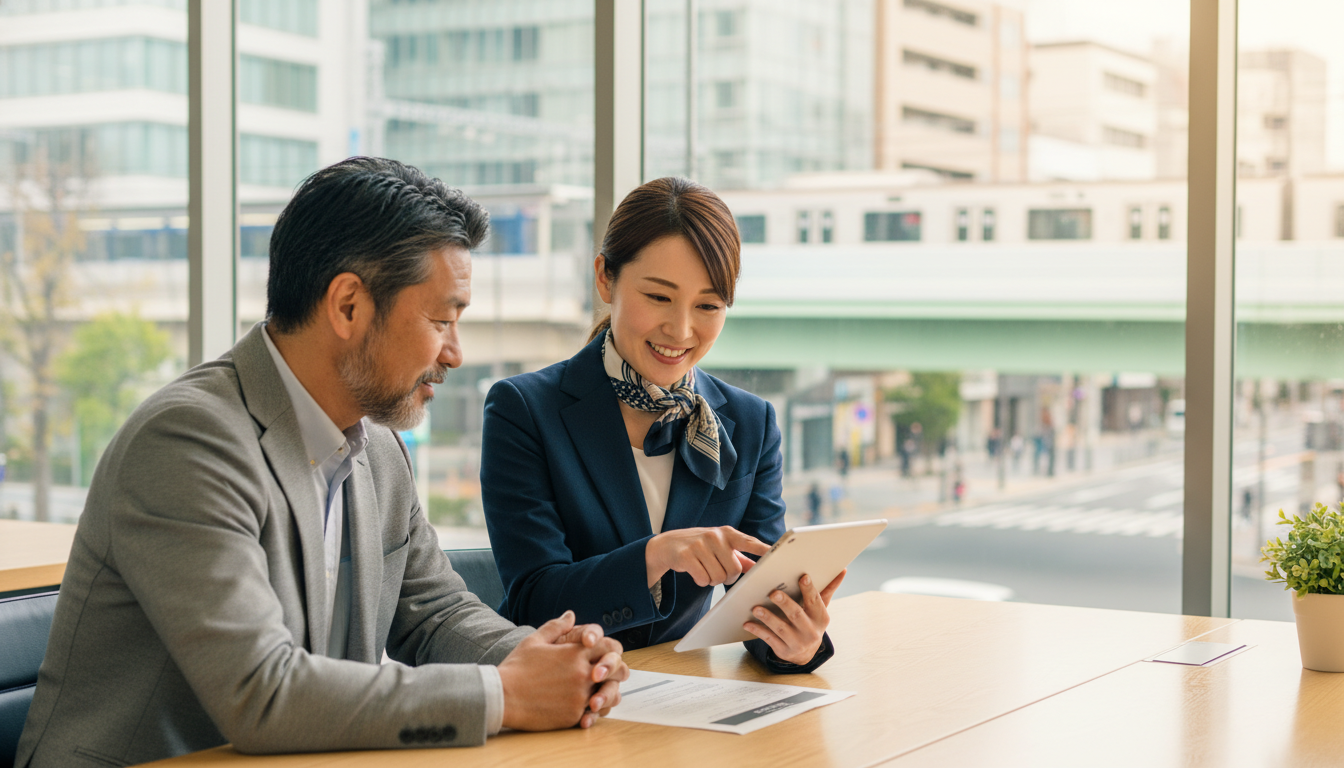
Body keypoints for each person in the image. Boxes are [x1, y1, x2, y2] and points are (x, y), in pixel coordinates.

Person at [16, 158, 628, 768]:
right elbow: (262, 691)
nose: (456, 353)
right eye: (441, 320)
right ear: (347, 306)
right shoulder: (187, 442)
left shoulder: (377, 448)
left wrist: (546, 659)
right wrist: (507, 693)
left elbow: (435, 615)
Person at [480, 177, 840, 673]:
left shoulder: (749, 423)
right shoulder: (523, 410)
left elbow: (756, 605)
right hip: (558, 698)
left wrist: (795, 643)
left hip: (680, 704)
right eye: (658, 297)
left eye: (708, 306)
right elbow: (534, 602)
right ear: (605, 279)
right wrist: (655, 555)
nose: (681, 330)